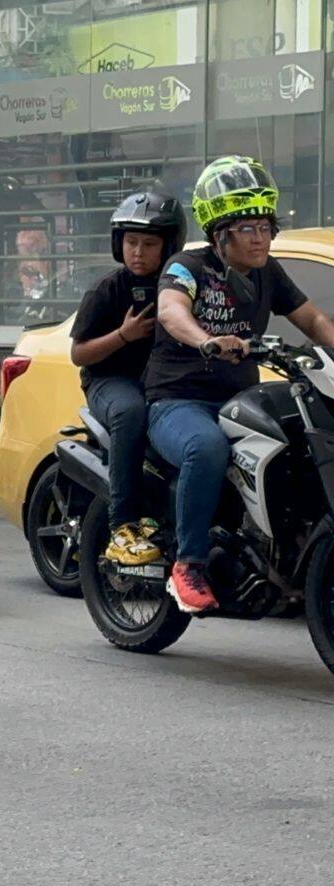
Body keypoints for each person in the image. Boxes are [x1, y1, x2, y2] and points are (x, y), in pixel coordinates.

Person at [148, 156, 334, 613]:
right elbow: (171, 311)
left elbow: (312, 319)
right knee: (206, 447)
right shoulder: (187, 266)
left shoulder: (268, 272)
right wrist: (206, 341)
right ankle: (188, 565)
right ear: (219, 234)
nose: (259, 238)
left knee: (299, 436)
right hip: (178, 401)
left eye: (265, 227)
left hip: (238, 398)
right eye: (246, 228)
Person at [69, 190, 187, 565]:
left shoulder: (180, 286)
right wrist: (124, 335)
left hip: (161, 383)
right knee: (131, 411)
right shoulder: (107, 289)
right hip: (110, 381)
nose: (138, 252)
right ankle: (122, 525)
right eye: (131, 242)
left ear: (168, 246)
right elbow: (79, 354)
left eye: (149, 244)